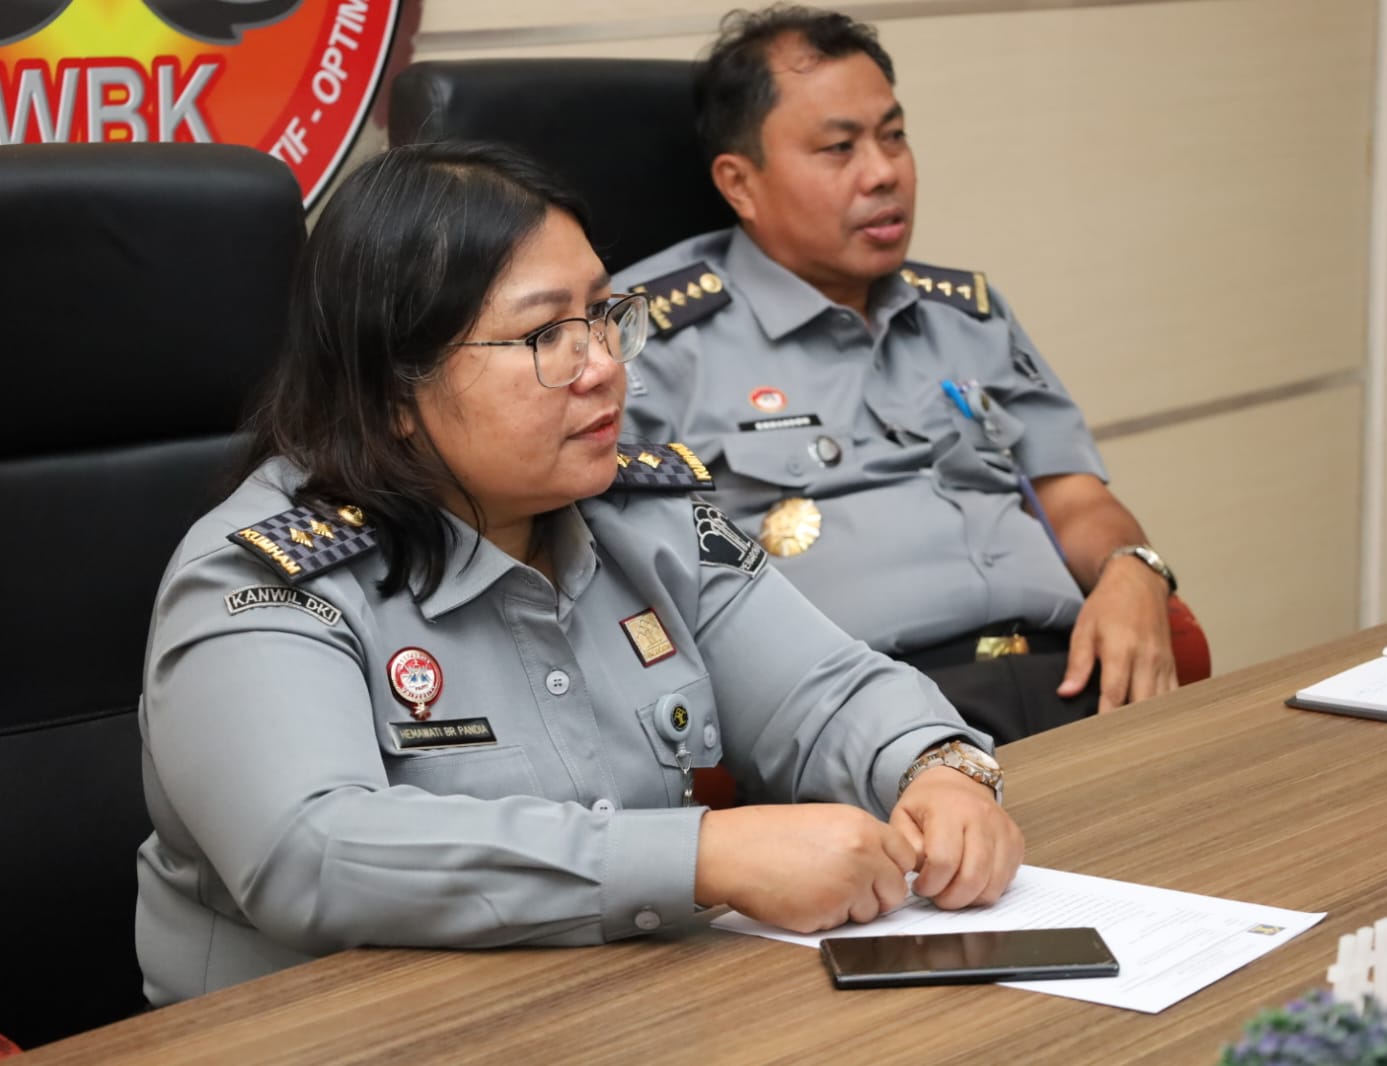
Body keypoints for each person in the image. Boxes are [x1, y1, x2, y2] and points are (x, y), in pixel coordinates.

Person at [133, 141, 1022, 1006]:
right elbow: (308, 849)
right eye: (546, 334)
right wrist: (703, 856)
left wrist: (938, 769)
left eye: (602, 315)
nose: (605, 367)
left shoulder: (644, 515)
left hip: (606, 1004)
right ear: (391, 391)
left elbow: (823, 692)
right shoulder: (263, 578)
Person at [618, 5, 1181, 744]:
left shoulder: (965, 314)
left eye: (893, 136)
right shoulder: (647, 339)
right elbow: (627, 582)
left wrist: (1132, 567)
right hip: (868, 713)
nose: (883, 173)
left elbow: (1072, 496)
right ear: (740, 183)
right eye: (838, 148)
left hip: (1067, 672)